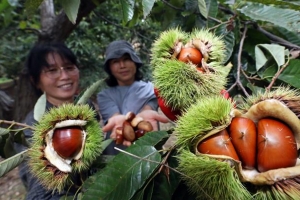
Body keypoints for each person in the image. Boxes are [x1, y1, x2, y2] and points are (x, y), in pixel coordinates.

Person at [14, 42, 99, 200]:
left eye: (69, 67)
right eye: (52, 70)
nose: (64, 76)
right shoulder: (31, 127)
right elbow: (41, 192)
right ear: (35, 80)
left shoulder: (85, 105)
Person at [97, 40, 169, 155]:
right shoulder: (104, 96)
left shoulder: (152, 90)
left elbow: (148, 108)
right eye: (116, 61)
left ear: (135, 62)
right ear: (109, 68)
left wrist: (143, 118)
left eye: (126, 59)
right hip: (114, 155)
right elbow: (114, 116)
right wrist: (123, 123)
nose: (122, 65)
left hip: (147, 152)